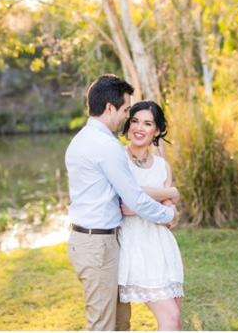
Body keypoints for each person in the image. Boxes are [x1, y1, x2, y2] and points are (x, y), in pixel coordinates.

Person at [65, 74, 180, 331]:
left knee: (119, 323)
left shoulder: (83, 140)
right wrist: (168, 215)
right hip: (97, 244)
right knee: (103, 325)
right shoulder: (107, 146)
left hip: (102, 241)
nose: (127, 117)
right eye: (127, 110)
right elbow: (134, 200)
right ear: (109, 108)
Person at [116, 101, 184, 331]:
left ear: (156, 130)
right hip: (136, 247)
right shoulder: (118, 158)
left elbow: (171, 217)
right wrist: (169, 193)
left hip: (163, 249)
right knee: (171, 319)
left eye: (147, 123)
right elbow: (127, 200)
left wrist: (141, 207)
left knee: (176, 320)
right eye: (134, 121)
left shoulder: (162, 166)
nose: (139, 128)